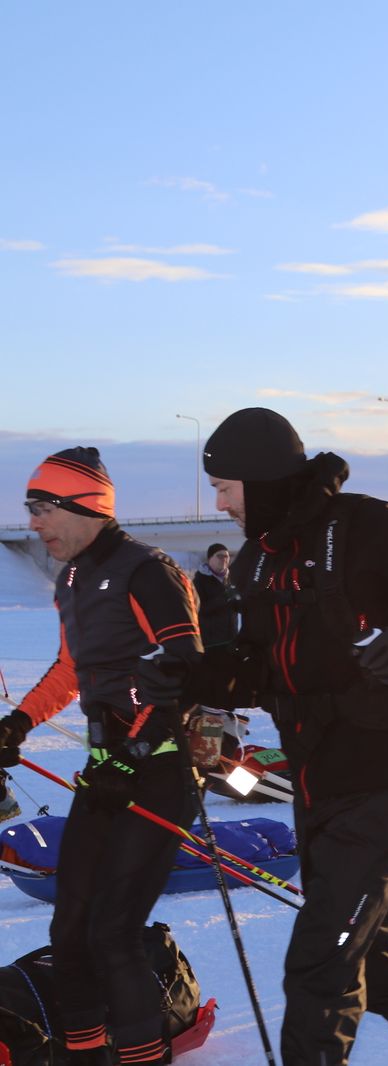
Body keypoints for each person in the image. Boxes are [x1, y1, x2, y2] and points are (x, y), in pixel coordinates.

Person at [192, 407, 388, 1066]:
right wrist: (202, 687)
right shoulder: (254, 564)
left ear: (263, 478)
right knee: (378, 958)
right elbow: (262, 668)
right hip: (316, 782)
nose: (217, 502)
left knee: (321, 963)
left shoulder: (370, 529)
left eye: (225, 486)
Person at [1, 447, 204, 1066]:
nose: (33, 523)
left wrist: (133, 754)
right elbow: (71, 670)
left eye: (41, 508)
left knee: (114, 932)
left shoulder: (148, 571)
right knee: (71, 929)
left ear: (81, 505)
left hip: (162, 767)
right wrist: (17, 722)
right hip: (109, 768)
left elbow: (186, 671)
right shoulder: (71, 578)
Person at [193, 542, 239, 649]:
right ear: (210, 558)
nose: (224, 559)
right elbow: (199, 609)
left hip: (232, 638)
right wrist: (225, 597)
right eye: (219, 556)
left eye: (226, 556)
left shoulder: (233, 578)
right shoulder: (200, 580)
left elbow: (237, 608)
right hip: (211, 642)